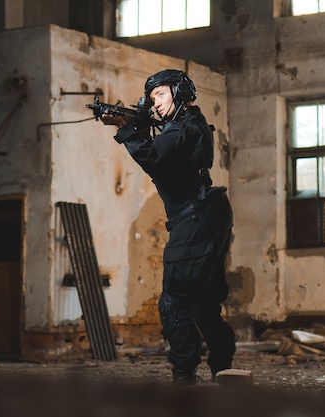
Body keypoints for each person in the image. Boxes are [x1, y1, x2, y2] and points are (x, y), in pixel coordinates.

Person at [100, 69, 236, 385]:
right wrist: (139, 124)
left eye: (160, 94)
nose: (156, 103)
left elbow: (154, 156)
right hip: (206, 216)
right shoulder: (188, 126)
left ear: (180, 91)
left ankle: (184, 377)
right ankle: (224, 370)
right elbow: (165, 153)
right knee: (203, 304)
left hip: (194, 220)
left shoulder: (186, 127)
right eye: (152, 99)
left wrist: (127, 130)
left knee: (174, 302)